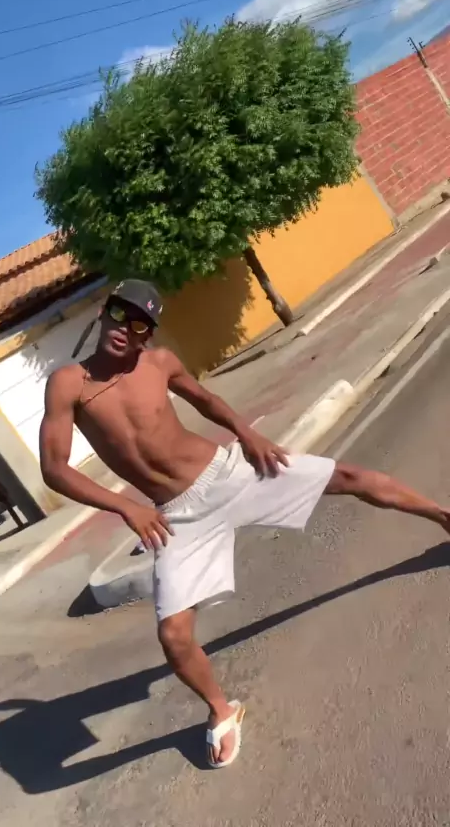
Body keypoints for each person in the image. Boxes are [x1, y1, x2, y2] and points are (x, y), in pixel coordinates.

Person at [40, 279, 450, 769]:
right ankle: (221, 709)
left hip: (227, 473)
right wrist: (125, 506)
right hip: (178, 516)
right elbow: (55, 469)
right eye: (119, 314)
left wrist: (245, 433)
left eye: (140, 325)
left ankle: (444, 518)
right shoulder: (68, 384)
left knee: (348, 477)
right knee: (174, 636)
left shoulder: (159, 363)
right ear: (103, 313)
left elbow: (203, 399)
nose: (126, 329)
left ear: (149, 334)